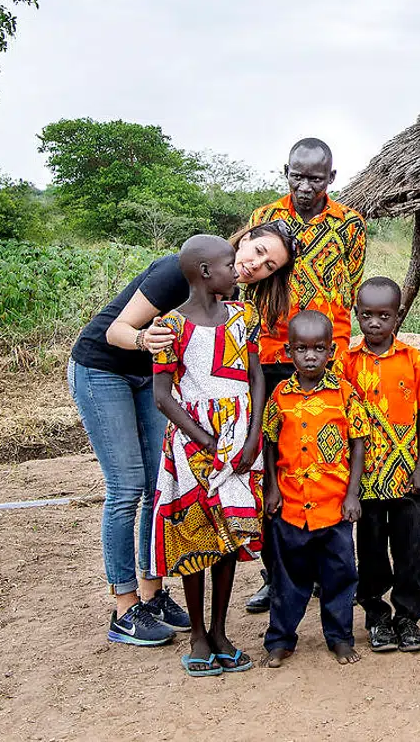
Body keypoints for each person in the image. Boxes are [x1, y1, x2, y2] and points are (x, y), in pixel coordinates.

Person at [67, 220, 294, 647]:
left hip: (155, 381)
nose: (256, 265)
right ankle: (125, 607)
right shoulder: (178, 270)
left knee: (157, 483)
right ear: (245, 238)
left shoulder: (230, 299)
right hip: (104, 368)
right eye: (259, 251)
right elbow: (116, 330)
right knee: (126, 486)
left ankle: (152, 594)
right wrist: (145, 340)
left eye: (269, 267)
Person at [245, 136, 366, 614]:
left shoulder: (350, 224)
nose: (305, 185)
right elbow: (253, 283)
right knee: (274, 461)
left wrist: (336, 352)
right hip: (272, 355)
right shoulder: (264, 218)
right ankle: (274, 575)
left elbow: (348, 288)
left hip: (325, 357)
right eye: (297, 175)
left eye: (316, 177)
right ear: (286, 171)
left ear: (331, 177)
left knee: (325, 458)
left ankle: (323, 568)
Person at [151, 235, 267, 676]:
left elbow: (255, 377)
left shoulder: (244, 316)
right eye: (228, 265)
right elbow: (163, 395)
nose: (236, 271)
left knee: (228, 538)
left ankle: (220, 631)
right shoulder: (170, 327)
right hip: (191, 445)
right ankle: (198, 635)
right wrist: (203, 439)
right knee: (195, 537)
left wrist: (252, 437)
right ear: (204, 272)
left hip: (239, 441)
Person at [261, 310, 369, 667]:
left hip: (333, 506)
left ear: (331, 352)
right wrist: (272, 489)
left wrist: (352, 494)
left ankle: (339, 638)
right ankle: (280, 640)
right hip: (291, 505)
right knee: (286, 578)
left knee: (340, 576)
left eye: (319, 349)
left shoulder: (344, 394)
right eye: (302, 349)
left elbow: (358, 443)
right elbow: (269, 442)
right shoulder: (280, 395)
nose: (310, 356)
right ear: (288, 351)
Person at [337, 277, 420, 654]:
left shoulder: (414, 360)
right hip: (366, 480)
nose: (374, 323)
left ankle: (408, 618)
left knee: (410, 549)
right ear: (356, 315)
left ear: (398, 315)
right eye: (366, 315)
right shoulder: (347, 362)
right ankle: (377, 616)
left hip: (406, 479)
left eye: (384, 315)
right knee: (372, 551)